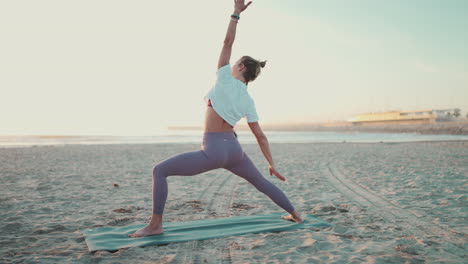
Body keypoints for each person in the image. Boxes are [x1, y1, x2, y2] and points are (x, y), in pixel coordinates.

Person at [129, 0, 302, 238]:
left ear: (240, 66)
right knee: (262, 181)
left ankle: (156, 224)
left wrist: (236, 14)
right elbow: (260, 136)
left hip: (213, 150)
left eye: (235, 64)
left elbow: (227, 42)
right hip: (234, 151)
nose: (231, 66)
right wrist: (271, 164)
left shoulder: (224, 78)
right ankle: (296, 214)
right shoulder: (248, 100)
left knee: (159, 170)